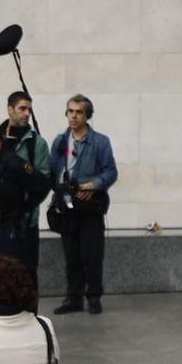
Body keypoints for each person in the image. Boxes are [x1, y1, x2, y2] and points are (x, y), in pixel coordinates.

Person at [47, 96, 117, 314]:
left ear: (87, 116)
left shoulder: (100, 142)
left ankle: (94, 296)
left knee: (92, 255)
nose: (74, 116)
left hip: (89, 208)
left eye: (79, 112)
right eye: (70, 111)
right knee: (71, 256)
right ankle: (73, 298)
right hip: (67, 207)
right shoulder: (60, 141)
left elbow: (110, 172)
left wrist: (93, 185)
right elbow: (53, 170)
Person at [0, 124, 46, 274]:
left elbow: (42, 184)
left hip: (8, 228)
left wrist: (25, 208)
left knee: (9, 273)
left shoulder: (13, 163)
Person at [2, 91, 51, 289]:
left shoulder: (36, 143)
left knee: (27, 274)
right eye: (22, 108)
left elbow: (43, 182)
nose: (26, 113)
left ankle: (30, 317)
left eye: (29, 109)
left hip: (25, 222)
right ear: (10, 109)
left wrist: (24, 209)